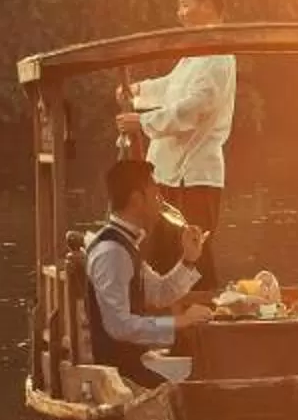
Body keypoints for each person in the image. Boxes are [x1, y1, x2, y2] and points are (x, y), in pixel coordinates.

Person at [116, 0, 235, 270]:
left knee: (194, 257)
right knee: (162, 253)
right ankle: (166, 314)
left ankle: (200, 313)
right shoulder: (196, 53)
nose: (179, 12)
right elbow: (172, 87)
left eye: (185, 4)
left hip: (194, 175)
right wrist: (138, 92)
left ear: (206, 7)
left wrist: (143, 122)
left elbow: (193, 109)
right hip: (169, 173)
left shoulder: (219, 55)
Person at [84, 158, 217, 389]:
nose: (160, 204)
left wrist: (189, 259)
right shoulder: (112, 252)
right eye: (155, 196)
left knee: (207, 370)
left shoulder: (126, 245)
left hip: (133, 361)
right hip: (118, 375)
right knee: (199, 387)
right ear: (137, 200)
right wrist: (180, 321)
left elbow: (159, 293)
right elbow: (119, 326)